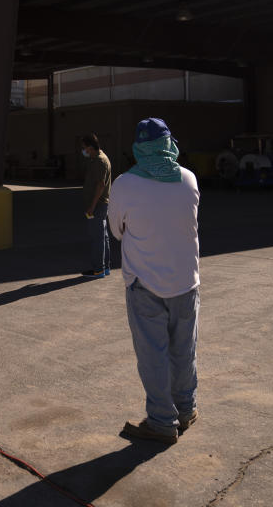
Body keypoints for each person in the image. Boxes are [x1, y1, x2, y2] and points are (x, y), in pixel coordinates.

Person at [108, 118, 200, 445]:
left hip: (145, 282)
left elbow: (116, 232)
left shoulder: (124, 184)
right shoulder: (188, 179)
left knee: (154, 356)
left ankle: (162, 422)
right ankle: (186, 409)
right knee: (183, 350)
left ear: (138, 147)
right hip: (186, 282)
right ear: (169, 143)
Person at [80, 132, 112, 278]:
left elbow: (100, 185)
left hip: (97, 205)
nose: (84, 151)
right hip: (100, 204)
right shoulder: (98, 158)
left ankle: (98, 269)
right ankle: (105, 267)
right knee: (103, 237)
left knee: (97, 237)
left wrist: (92, 206)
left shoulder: (100, 161)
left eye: (85, 148)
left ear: (91, 147)